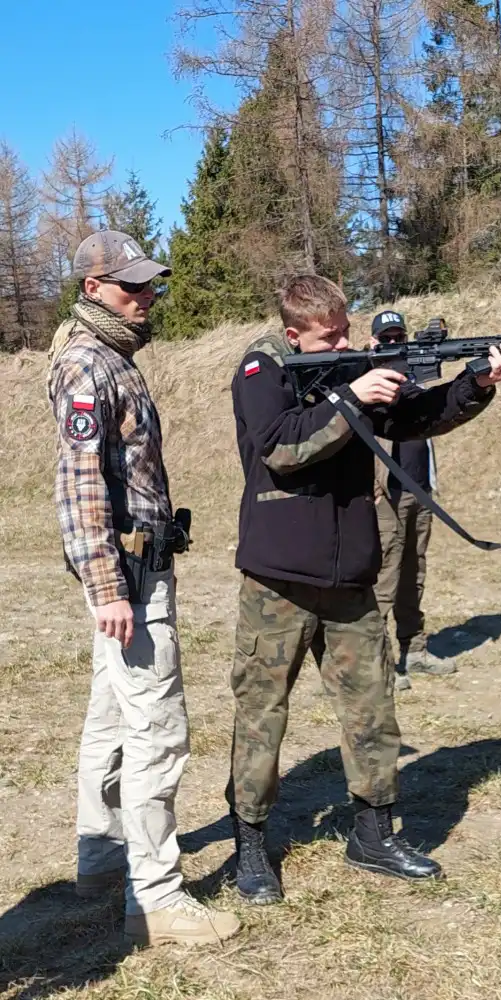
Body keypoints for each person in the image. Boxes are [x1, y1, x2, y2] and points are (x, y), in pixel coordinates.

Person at [226, 275, 501, 905]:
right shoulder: (262, 369)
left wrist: (475, 384)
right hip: (279, 576)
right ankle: (251, 845)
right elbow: (281, 448)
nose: (342, 345)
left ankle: (374, 834)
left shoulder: (351, 370)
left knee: (372, 710)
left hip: (352, 577)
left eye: (345, 333)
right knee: (261, 715)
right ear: (293, 334)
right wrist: (351, 397)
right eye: (327, 338)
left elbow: (415, 418)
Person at [47, 231, 240, 948]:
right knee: (158, 729)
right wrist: (109, 587)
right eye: (131, 286)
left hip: (131, 572)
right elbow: (80, 491)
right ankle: (156, 897)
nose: (147, 297)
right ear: (93, 288)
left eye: (151, 285)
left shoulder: (110, 357)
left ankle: (99, 860)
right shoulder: (86, 366)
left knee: (111, 717)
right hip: (127, 576)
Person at [369, 310, 457, 691]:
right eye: (385, 339)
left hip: (420, 489)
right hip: (386, 493)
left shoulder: (417, 375)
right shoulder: (367, 378)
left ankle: (415, 649)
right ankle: (378, 661)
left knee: (414, 573)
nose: (393, 344)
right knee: (384, 577)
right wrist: (372, 359)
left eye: (398, 337)